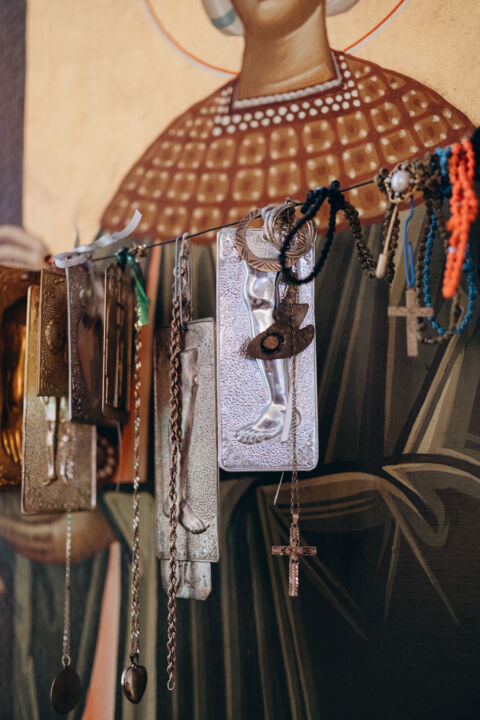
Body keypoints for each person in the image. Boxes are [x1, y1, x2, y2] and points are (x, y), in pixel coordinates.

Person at [1, 1, 479, 717]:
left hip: (332, 636)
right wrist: (51, 311)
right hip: (174, 630)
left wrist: (152, 518)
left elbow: (452, 462)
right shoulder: (163, 175)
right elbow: (116, 411)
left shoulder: (420, 136)